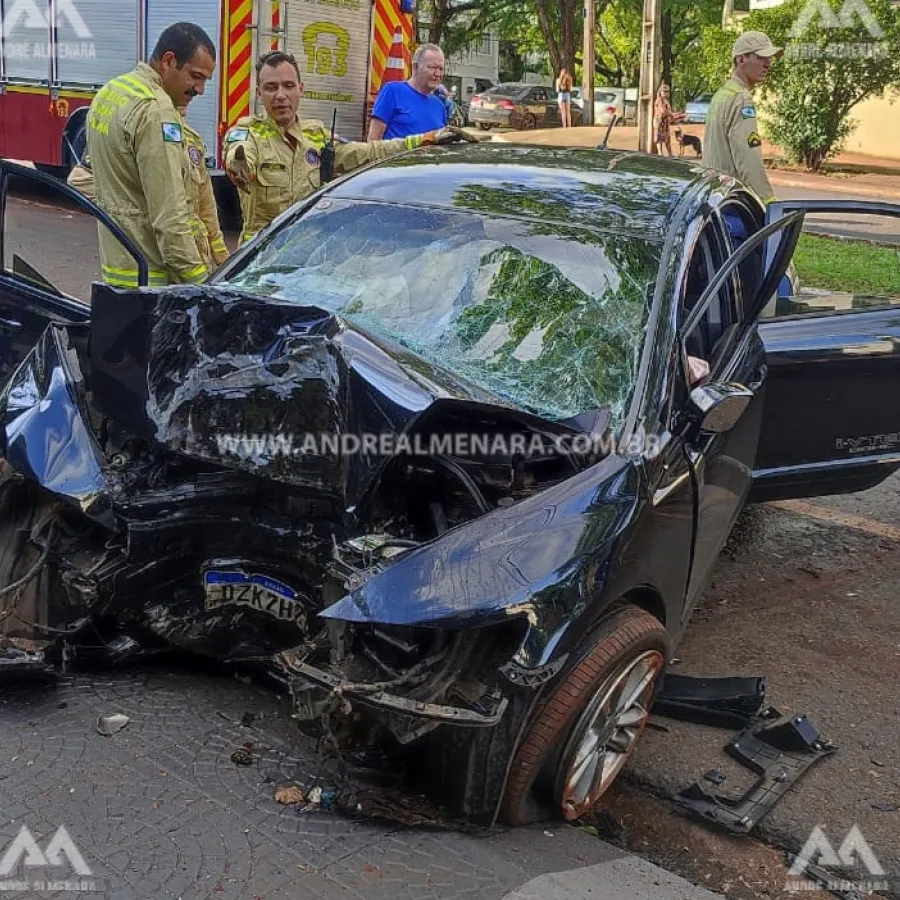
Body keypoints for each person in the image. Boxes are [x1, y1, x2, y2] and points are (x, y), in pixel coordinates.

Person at [224, 51, 473, 245]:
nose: (280, 95)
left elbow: (368, 152)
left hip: (303, 253)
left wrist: (425, 139)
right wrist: (239, 163)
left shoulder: (317, 136)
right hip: (259, 256)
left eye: (288, 86)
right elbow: (239, 153)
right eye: (271, 87)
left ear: (301, 88)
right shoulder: (249, 132)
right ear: (259, 93)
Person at [86, 22, 216, 288]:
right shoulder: (157, 112)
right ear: (169, 61)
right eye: (196, 76)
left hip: (118, 269)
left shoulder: (111, 92)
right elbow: (170, 218)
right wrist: (202, 286)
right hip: (151, 279)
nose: (200, 89)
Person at [68, 106, 229, 273]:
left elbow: (206, 204)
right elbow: (79, 180)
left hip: (195, 259)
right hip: (148, 257)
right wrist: (139, 207)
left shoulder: (192, 140)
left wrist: (220, 253)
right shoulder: (135, 137)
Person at [702, 31, 783, 206]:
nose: (768, 64)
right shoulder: (741, 99)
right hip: (732, 202)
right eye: (761, 57)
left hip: (713, 196)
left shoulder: (722, 94)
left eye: (769, 58)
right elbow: (748, 161)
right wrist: (769, 202)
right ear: (741, 60)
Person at [367, 43, 449, 140]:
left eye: (441, 69)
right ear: (415, 67)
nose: (437, 74)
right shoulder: (392, 92)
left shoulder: (439, 106)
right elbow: (374, 140)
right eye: (432, 68)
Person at [182, 114, 230, 271]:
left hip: (198, 260)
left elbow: (206, 205)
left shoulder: (192, 140)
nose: (199, 90)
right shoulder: (150, 135)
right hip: (176, 265)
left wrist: (222, 257)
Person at [653, 83, 684, 156]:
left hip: (665, 122)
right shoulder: (659, 100)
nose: (666, 93)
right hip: (659, 121)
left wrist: (678, 115)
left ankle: (670, 154)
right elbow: (663, 111)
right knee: (659, 138)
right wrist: (673, 115)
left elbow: (669, 112)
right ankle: (660, 154)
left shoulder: (666, 101)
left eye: (667, 91)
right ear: (660, 92)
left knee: (667, 138)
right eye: (664, 91)